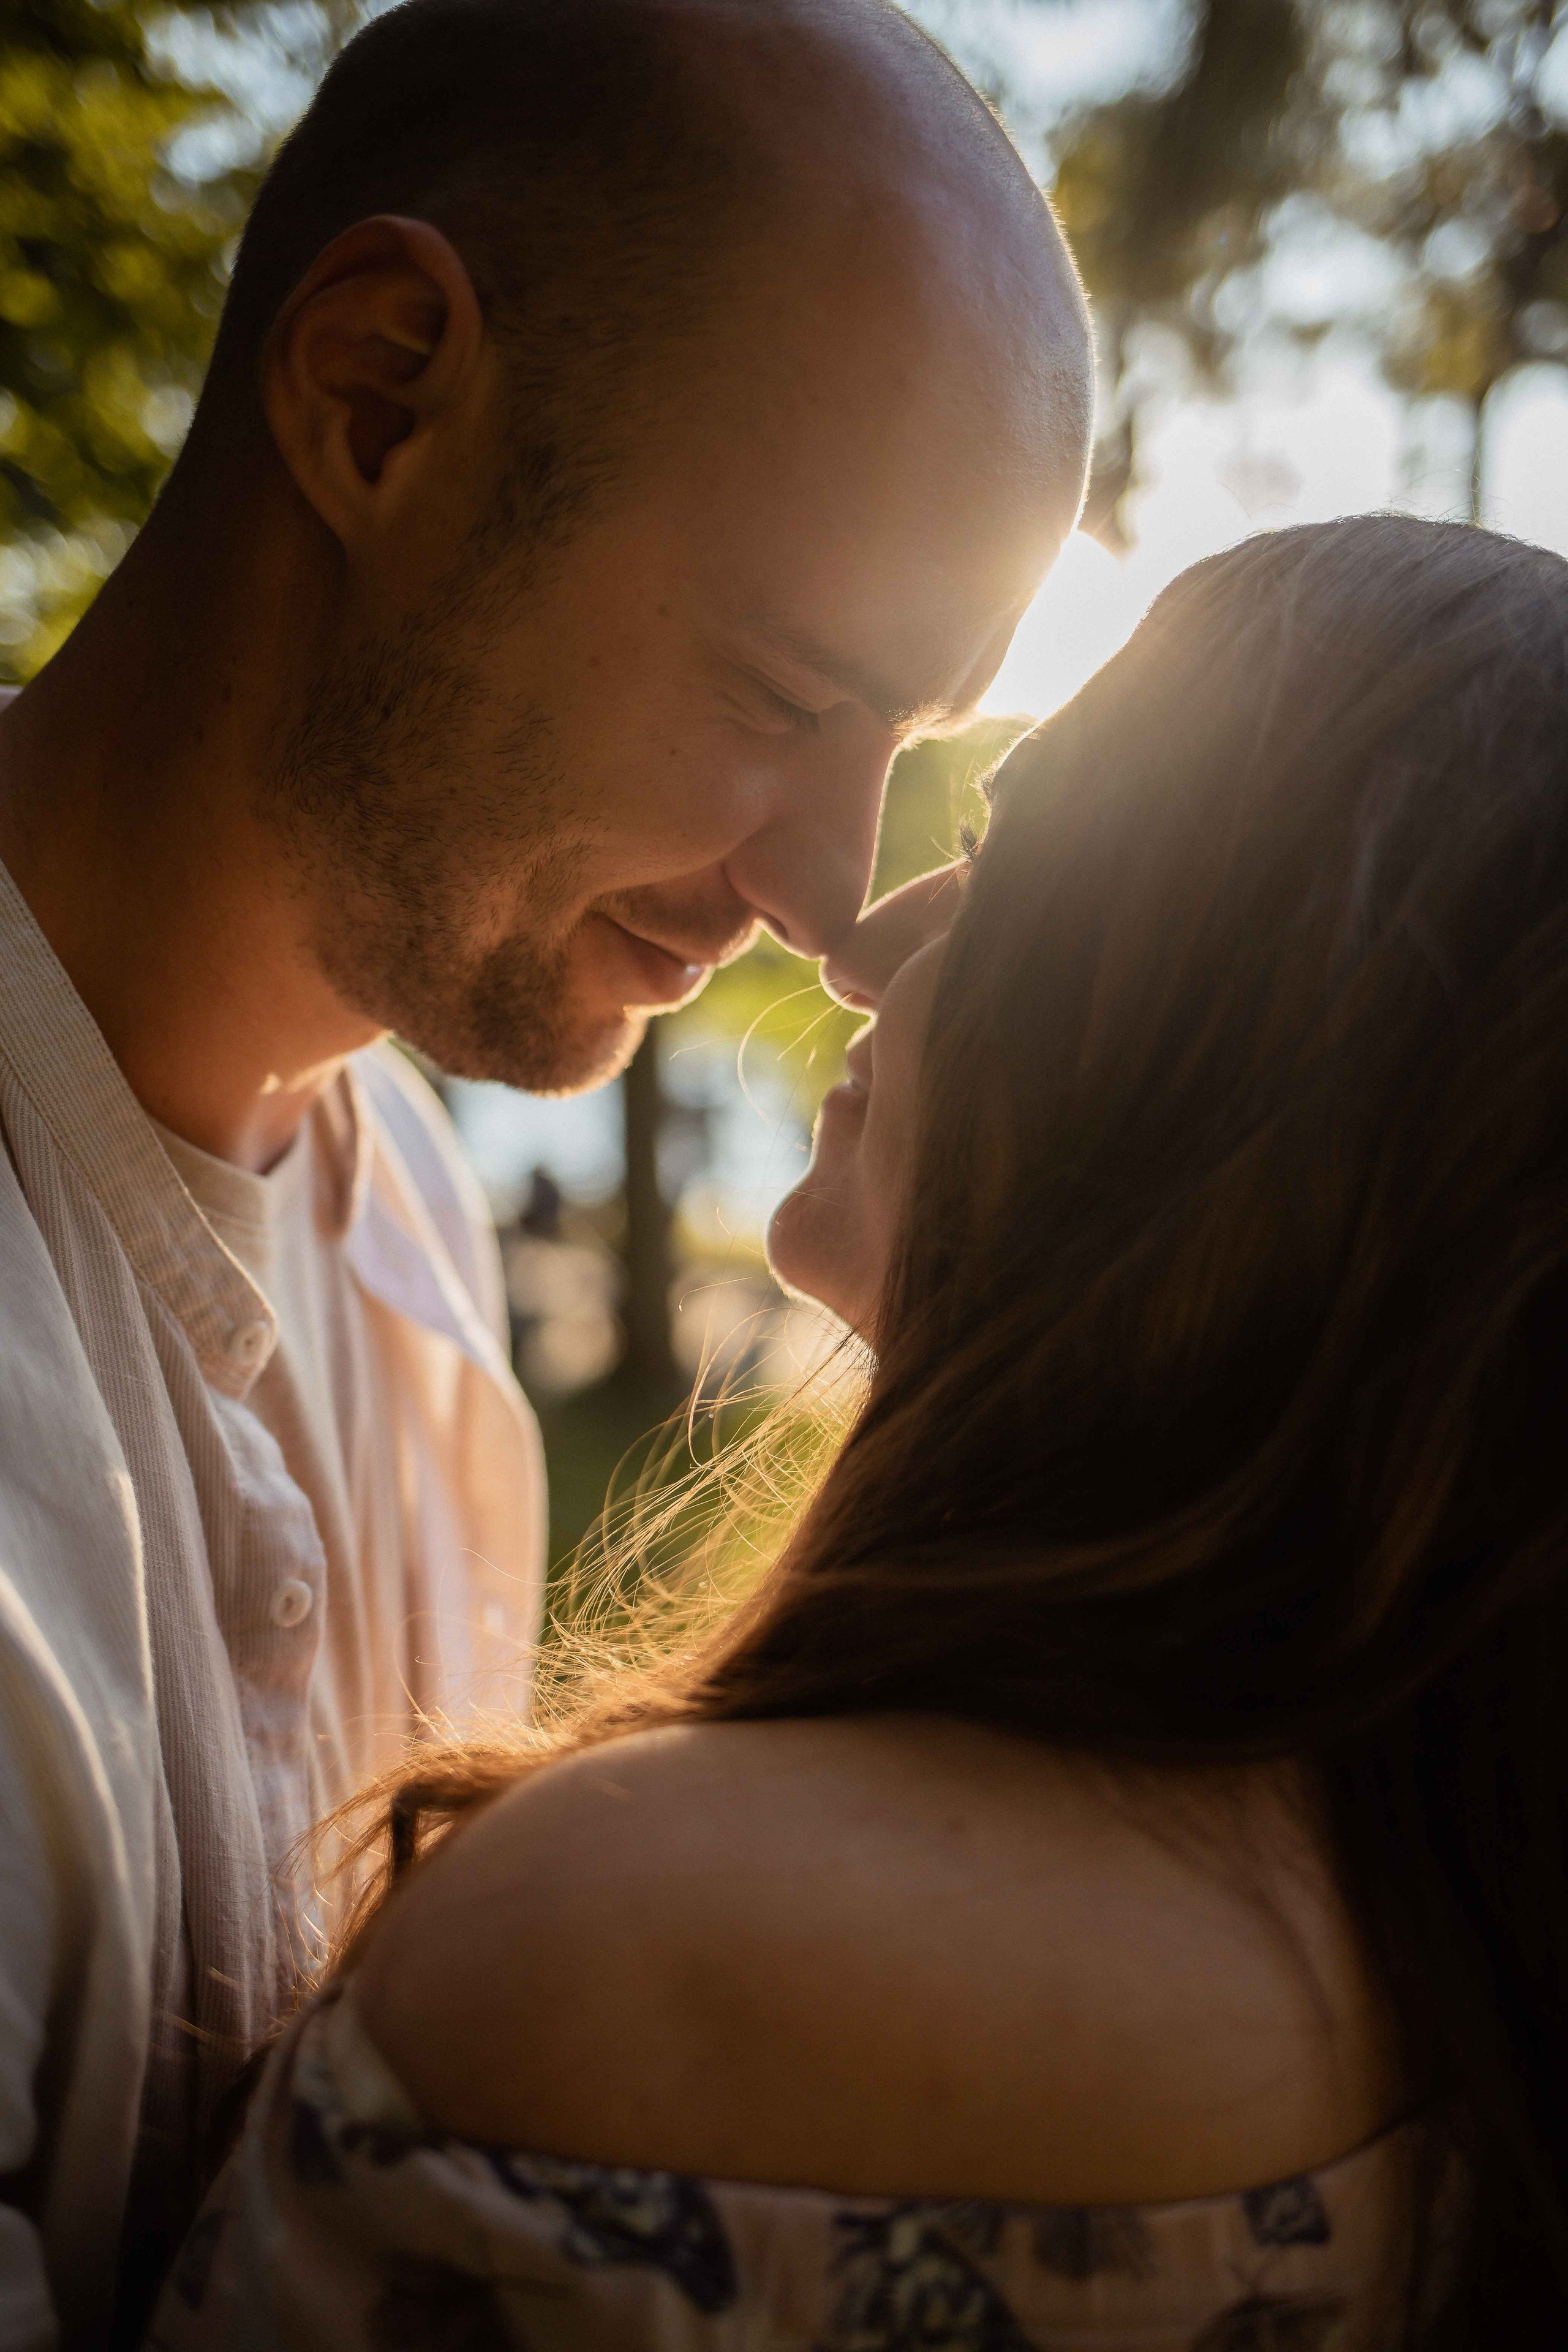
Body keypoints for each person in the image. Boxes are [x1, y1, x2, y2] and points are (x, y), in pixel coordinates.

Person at [153, 515, 1568, 2351]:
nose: (865, 929)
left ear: (1203, 1048)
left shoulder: (633, 1952)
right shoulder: (1467, 1942)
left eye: (1008, 855)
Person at [0, 0, 1092, 2338]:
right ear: (380, 396)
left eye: (904, 746)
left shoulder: (402, 1223)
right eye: (790, 692)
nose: (824, 889)